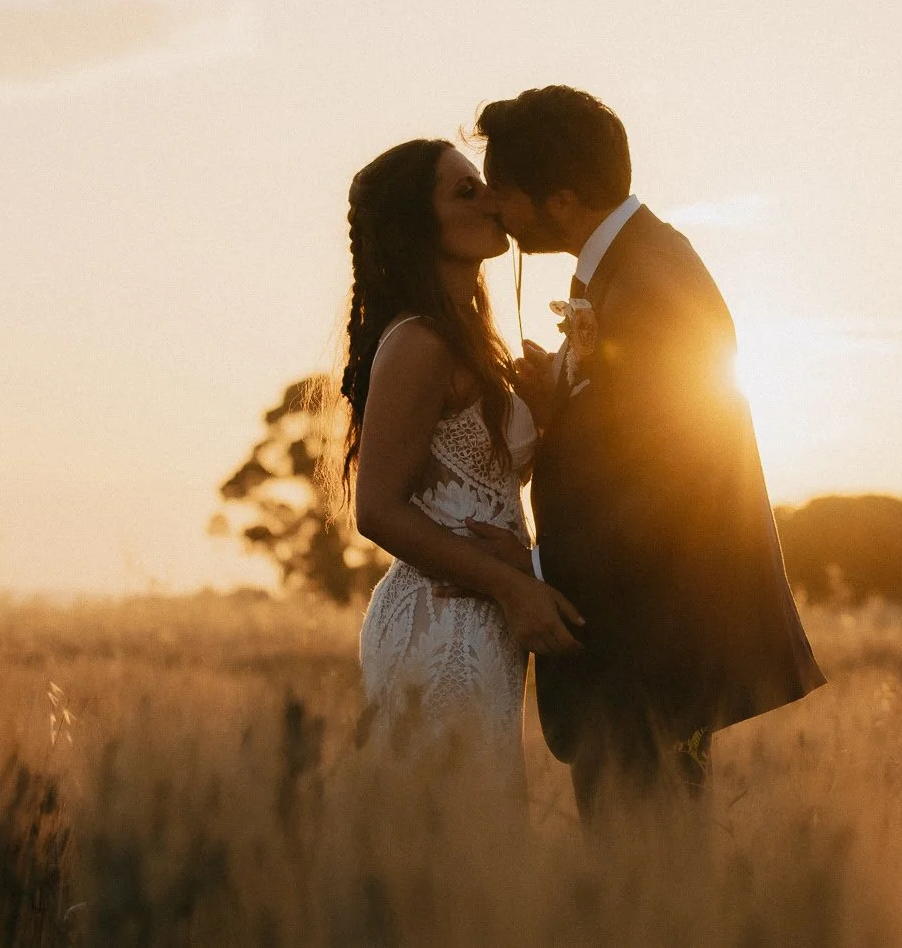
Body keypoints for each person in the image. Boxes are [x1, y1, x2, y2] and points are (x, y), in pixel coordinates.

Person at [466, 86, 826, 820]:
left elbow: (673, 482)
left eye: (503, 193)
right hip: (638, 641)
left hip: (653, 644)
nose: (494, 208)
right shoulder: (624, 266)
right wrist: (559, 397)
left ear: (561, 200)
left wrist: (528, 568)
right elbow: (630, 436)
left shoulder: (652, 281)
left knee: (652, 883)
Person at [342, 138, 586, 785]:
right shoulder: (419, 342)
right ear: (418, 224)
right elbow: (376, 509)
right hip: (443, 612)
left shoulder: (469, 341)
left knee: (476, 846)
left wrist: (546, 410)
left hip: (486, 616)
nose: (491, 199)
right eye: (465, 190)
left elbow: (477, 481)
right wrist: (513, 586)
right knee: (449, 843)